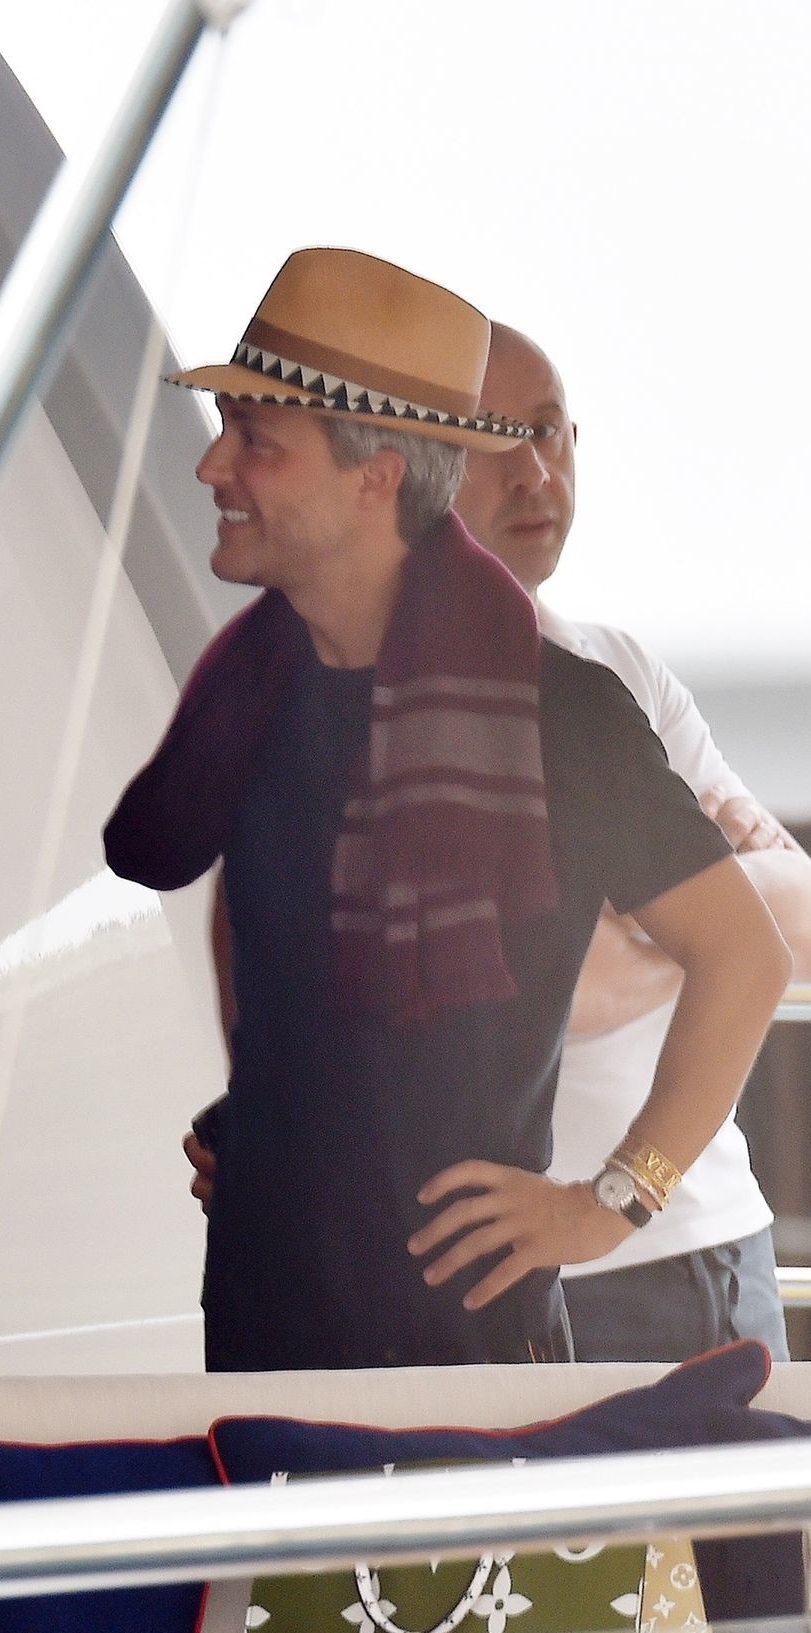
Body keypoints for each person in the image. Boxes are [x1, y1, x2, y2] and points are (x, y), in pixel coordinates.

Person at [106, 247, 790, 1371]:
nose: (213, 466)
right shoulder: (257, 697)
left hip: (469, 1360)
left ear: (375, 477)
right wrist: (271, 1118)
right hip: (262, 1334)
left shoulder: (557, 710)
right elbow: (260, 951)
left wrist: (614, 1200)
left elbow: (748, 958)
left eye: (257, 440)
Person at [451, 323, 811, 1362]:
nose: (535, 470)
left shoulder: (618, 672)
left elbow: (797, 920)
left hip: (714, 1242)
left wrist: (664, 931)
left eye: (551, 431)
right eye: (492, 437)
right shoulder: (395, 707)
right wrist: (704, 931)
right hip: (545, 1263)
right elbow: (538, 988)